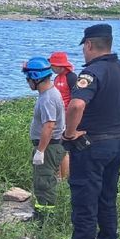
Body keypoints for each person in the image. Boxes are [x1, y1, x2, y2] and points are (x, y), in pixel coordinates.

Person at [50, 24, 120, 239]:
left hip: (91, 144)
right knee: (107, 197)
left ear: (89, 45)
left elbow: (76, 105)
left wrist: (69, 133)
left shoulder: (90, 73)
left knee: (85, 199)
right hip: (117, 142)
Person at [22, 57, 66, 218]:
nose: (27, 82)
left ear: (35, 78)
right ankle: (41, 213)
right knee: (43, 179)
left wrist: (40, 150)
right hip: (50, 145)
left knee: (44, 182)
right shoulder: (49, 93)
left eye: (28, 79)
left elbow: (49, 125)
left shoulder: (47, 98)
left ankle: (44, 218)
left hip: (49, 147)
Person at [50, 51, 77, 179]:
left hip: (67, 117)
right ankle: (59, 175)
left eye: (53, 65)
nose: (51, 67)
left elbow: (76, 98)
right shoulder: (56, 78)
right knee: (56, 146)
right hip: (57, 117)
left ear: (60, 65)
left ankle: (65, 178)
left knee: (63, 148)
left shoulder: (71, 77)